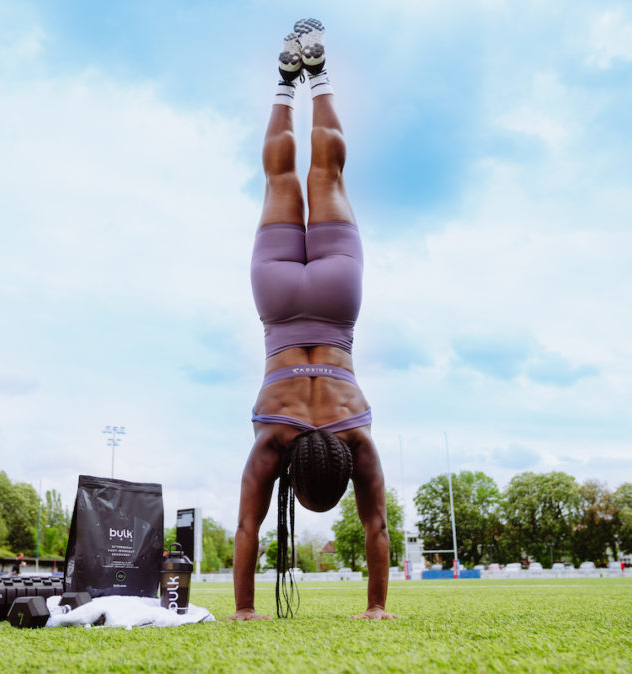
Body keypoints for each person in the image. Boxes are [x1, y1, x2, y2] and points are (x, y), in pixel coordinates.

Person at [227, 19, 395, 621]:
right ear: (292, 473)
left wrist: (379, 607)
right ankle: (284, 80)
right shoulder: (273, 437)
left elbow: (376, 525)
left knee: (327, 175)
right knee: (277, 180)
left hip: (334, 297)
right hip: (276, 298)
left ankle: (315, 74)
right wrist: (243, 611)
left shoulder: (357, 436)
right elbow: (248, 524)